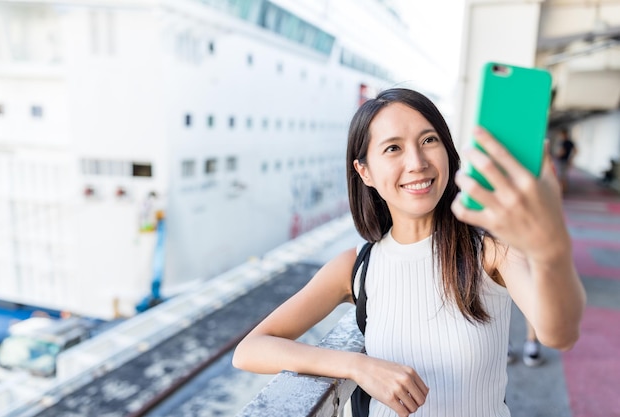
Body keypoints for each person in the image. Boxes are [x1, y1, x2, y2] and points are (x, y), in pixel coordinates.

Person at [233, 88, 586, 417]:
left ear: (448, 152)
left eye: (429, 140)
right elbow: (250, 349)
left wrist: (552, 247)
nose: (417, 162)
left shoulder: (490, 252)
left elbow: (560, 334)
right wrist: (357, 366)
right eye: (393, 148)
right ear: (365, 171)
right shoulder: (356, 266)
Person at [555, 128, 577, 193]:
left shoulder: (563, 142)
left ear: (564, 134)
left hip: (562, 160)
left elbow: (562, 151)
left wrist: (557, 156)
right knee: (564, 176)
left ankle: (562, 190)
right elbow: (576, 151)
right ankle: (564, 189)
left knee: (561, 176)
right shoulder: (570, 142)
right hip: (566, 160)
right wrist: (571, 158)